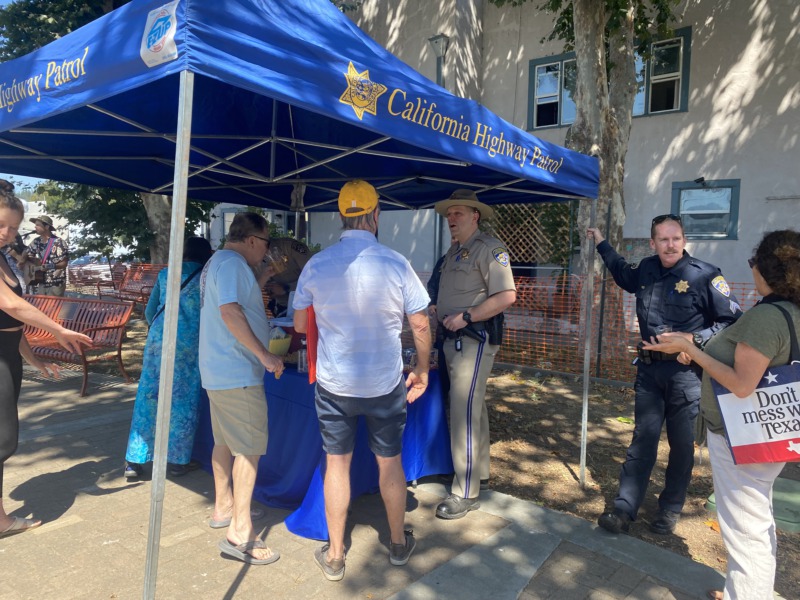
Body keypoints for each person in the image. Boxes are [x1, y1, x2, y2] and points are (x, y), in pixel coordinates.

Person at [643, 229, 800, 600]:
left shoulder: (767, 317)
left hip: (743, 435)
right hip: (772, 433)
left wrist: (692, 350)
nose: (752, 269)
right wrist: (698, 350)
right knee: (756, 518)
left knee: (744, 527)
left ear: (766, 270)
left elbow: (742, 384)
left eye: (753, 263)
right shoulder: (792, 312)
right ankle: (746, 589)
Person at [292, 179, 431, 581]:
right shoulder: (395, 262)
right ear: (375, 215)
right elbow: (420, 324)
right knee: (391, 464)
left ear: (340, 215)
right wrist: (421, 368)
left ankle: (335, 555)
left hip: (335, 385)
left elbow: (300, 323)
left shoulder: (317, 264)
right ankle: (398, 544)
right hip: (384, 384)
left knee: (337, 465)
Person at [587, 215, 741, 536]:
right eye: (663, 239)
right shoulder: (645, 269)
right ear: (653, 242)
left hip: (687, 373)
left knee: (682, 445)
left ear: (683, 240)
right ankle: (624, 508)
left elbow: (731, 322)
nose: (670, 245)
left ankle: (670, 507)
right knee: (642, 439)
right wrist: (601, 241)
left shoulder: (706, 276)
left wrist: (694, 341)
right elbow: (618, 268)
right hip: (649, 371)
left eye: (676, 238)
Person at [0, 179, 92, 539]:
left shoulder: (5, 256)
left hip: (9, 356)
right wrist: (58, 330)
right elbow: (9, 304)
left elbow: (13, 319)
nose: (8, 233)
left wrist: (34, 359)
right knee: (4, 440)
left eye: (13, 227)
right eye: (2, 224)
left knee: (3, 441)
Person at [199, 212, 284, 566]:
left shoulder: (219, 261)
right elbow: (231, 312)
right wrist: (264, 355)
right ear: (251, 239)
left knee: (225, 443)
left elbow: (238, 300)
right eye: (265, 244)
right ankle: (240, 532)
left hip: (218, 369)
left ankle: (224, 507)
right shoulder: (232, 264)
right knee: (248, 450)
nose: (265, 252)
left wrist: (264, 275)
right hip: (238, 372)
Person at [433, 189, 516, 520]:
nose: (452, 220)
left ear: (475, 216)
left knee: (463, 412)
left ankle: (464, 491)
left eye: (458, 214)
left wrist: (466, 316)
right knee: (472, 407)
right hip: (451, 341)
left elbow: (507, 295)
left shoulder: (491, 249)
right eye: (449, 215)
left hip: (473, 339)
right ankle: (478, 472)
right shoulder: (453, 253)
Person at [124, 237, 214, 479]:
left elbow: (151, 311)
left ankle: (134, 460)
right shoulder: (207, 276)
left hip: (158, 342)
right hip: (190, 346)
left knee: (148, 397)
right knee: (183, 401)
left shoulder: (167, 274)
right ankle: (177, 460)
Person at [256, 237, 311, 317]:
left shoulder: (289, 247)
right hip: (282, 307)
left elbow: (313, 279)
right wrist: (270, 290)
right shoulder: (254, 259)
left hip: (305, 306)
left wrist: (286, 288)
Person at [18, 215, 68, 296]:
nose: (35, 227)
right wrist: (22, 262)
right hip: (41, 280)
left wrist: (50, 266)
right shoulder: (36, 241)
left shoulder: (59, 242)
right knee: (42, 306)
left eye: (38, 225)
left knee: (53, 307)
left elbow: (64, 263)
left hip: (56, 282)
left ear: (47, 227)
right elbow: (27, 252)